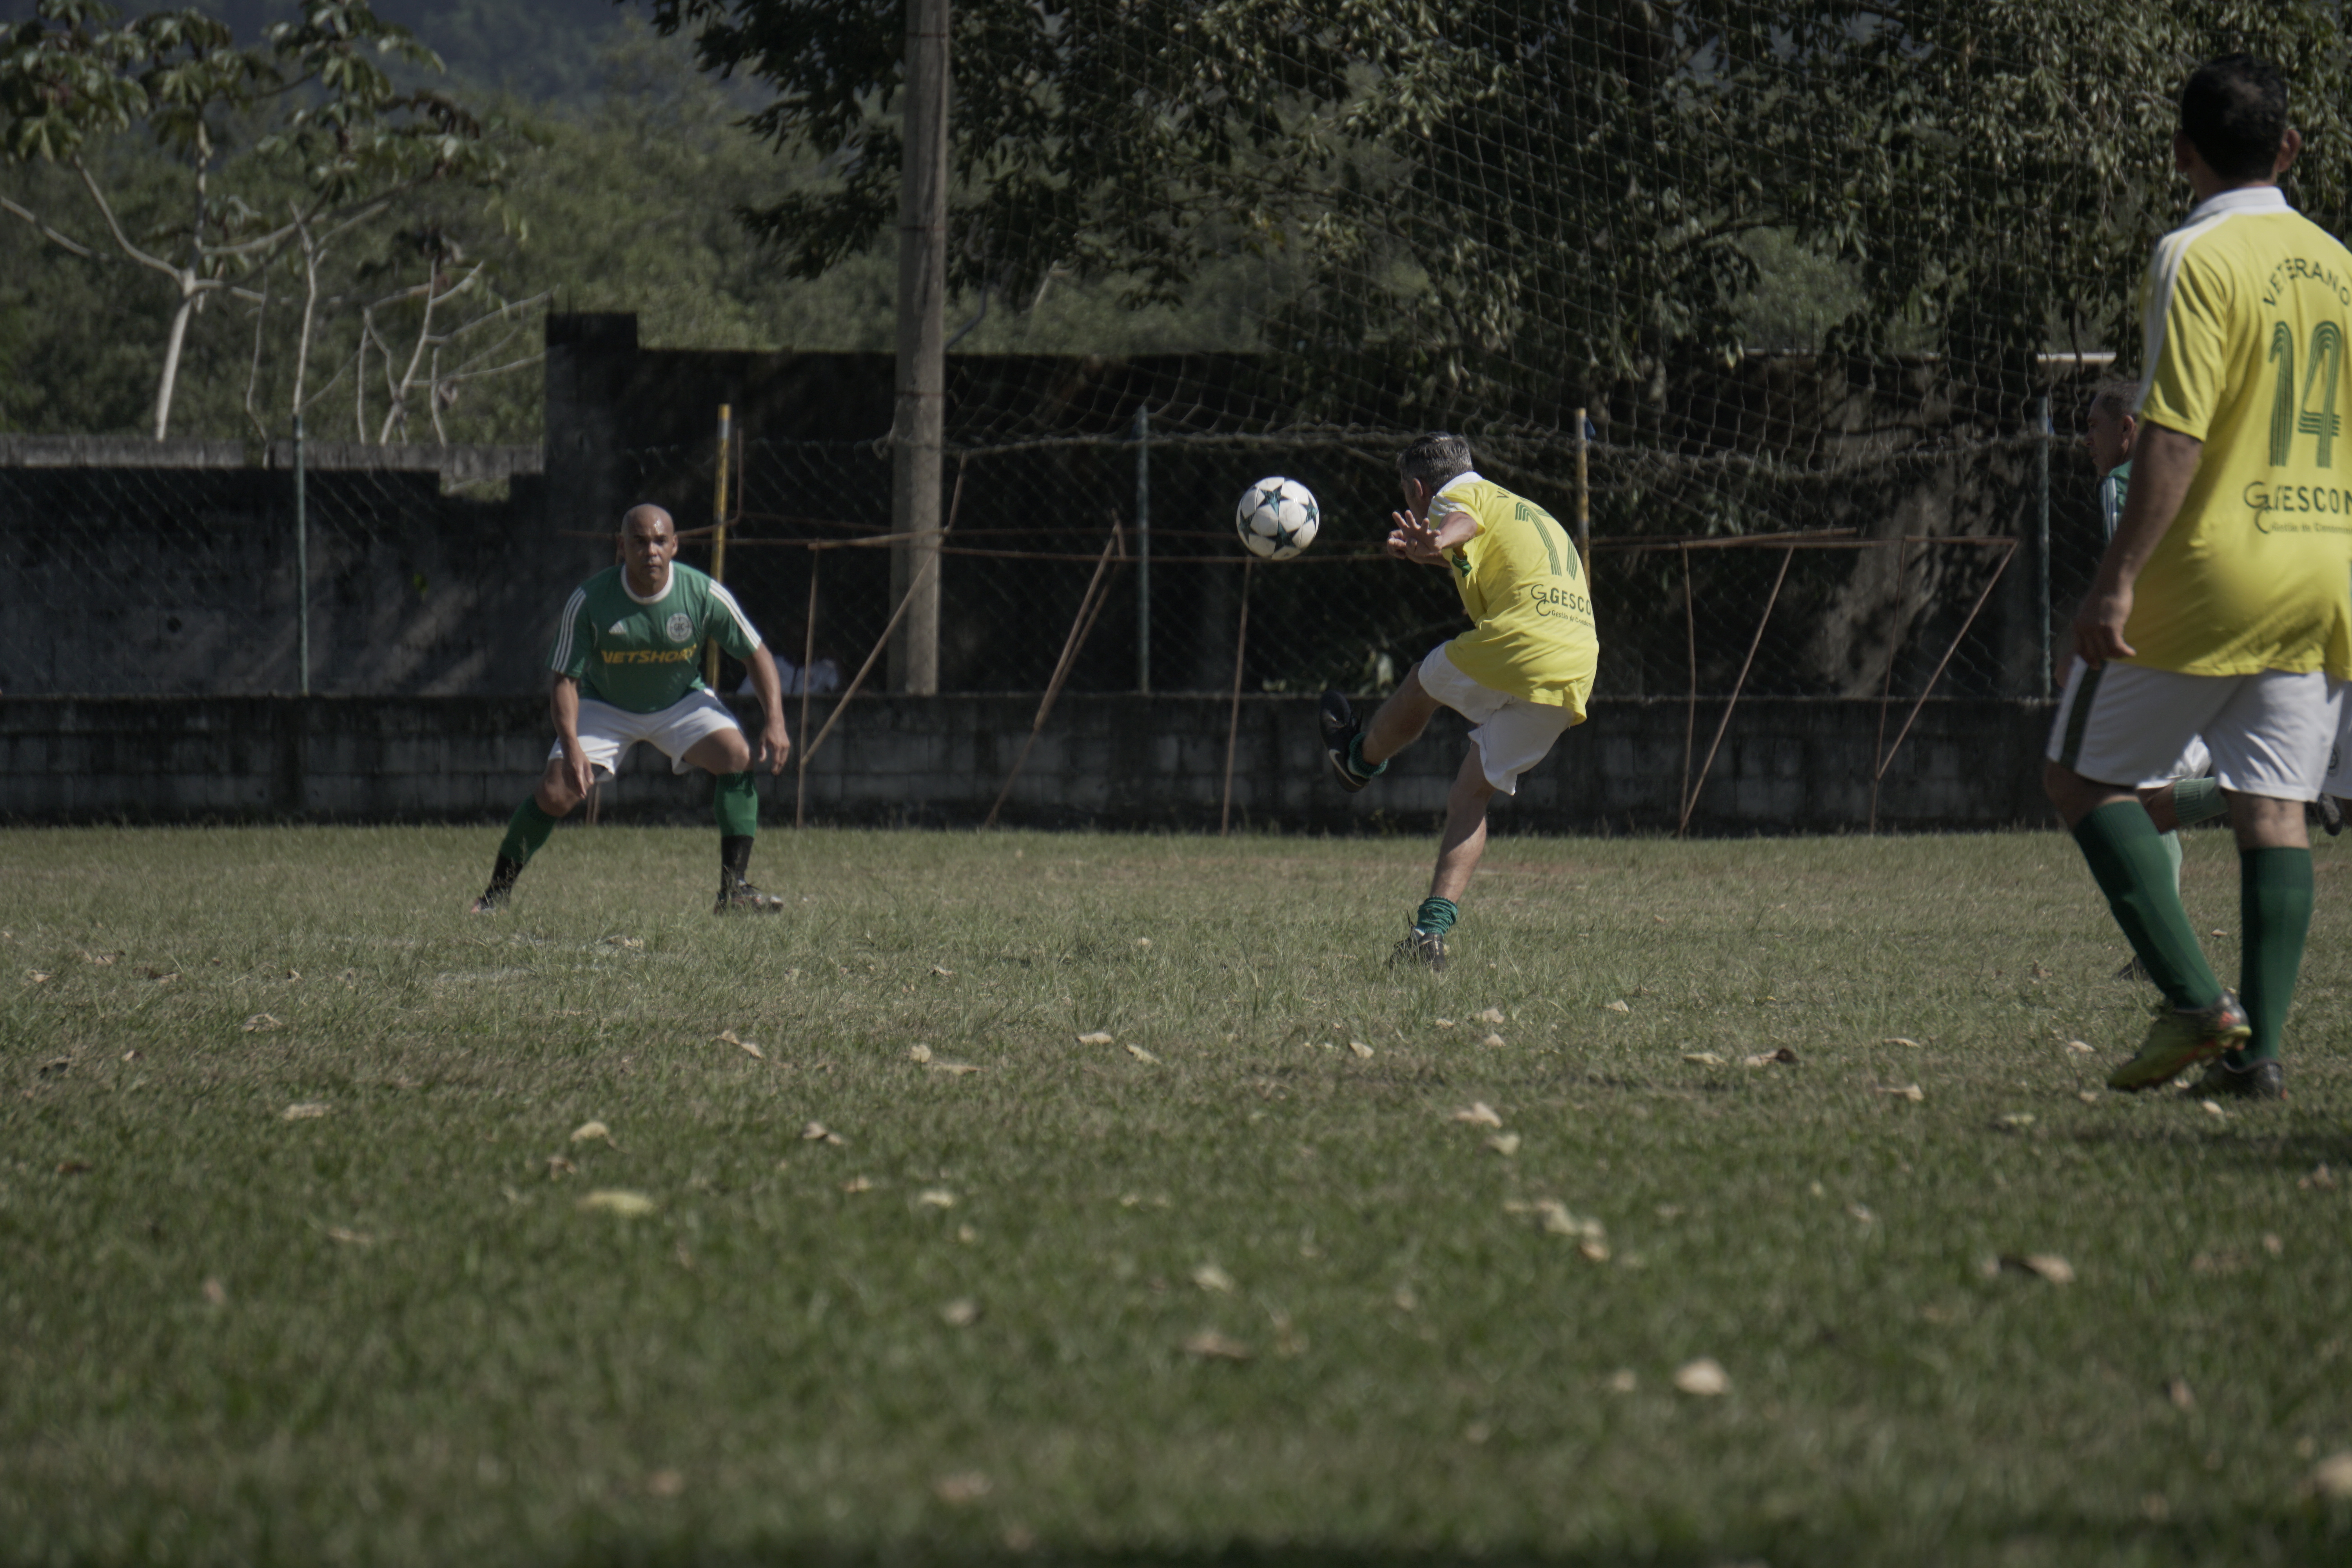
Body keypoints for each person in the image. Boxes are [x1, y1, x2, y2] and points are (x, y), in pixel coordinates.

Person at [2045, 55, 2352, 1100]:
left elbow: (2171, 431)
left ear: (2182, 154)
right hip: (2324, 570)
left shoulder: (2196, 253)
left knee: (2079, 775)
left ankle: (2194, 1003)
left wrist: (2118, 579)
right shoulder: (2338, 263)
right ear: (2293, 148)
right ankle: (2258, 1056)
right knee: (2276, 808)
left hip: (2218, 566)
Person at [1317, 433, 1599, 971]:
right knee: (1471, 794)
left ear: (1419, 488)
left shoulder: (1455, 499)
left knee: (1423, 682)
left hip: (1523, 641)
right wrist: (1432, 552)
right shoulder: (1522, 508)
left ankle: (1356, 762)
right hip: (1577, 664)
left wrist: (1438, 538)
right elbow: (1481, 550)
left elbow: (1462, 524)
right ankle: (1430, 934)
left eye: (1408, 493)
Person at [471, 504, 793, 915]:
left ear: (675, 545)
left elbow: (757, 653)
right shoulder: (590, 600)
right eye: (639, 542)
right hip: (605, 705)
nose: (651, 551)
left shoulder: (701, 593)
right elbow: (565, 682)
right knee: (555, 793)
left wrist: (776, 721)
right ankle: (495, 895)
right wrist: (571, 745)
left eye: (660, 541)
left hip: (680, 701)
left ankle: (734, 892)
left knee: (737, 756)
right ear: (621, 547)